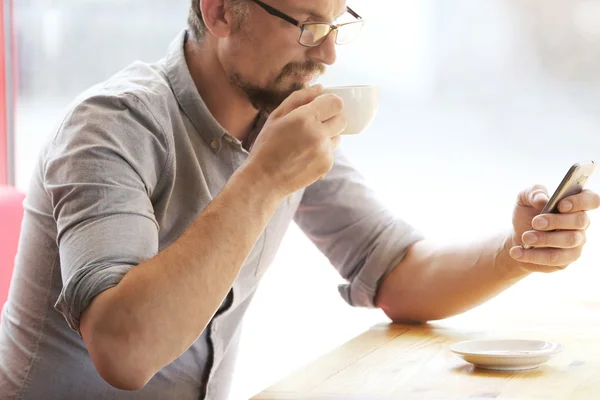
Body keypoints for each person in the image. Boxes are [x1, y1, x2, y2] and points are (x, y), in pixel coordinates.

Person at [1, 1, 598, 399]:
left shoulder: (277, 123)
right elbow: (123, 352)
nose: (329, 54)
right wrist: (262, 180)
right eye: (308, 24)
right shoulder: (110, 128)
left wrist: (517, 251)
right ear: (220, 11)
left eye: (337, 24)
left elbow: (396, 272)